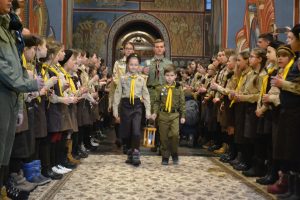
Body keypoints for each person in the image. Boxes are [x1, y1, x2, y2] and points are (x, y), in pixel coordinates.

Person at [0, 0, 44, 197]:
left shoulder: (8, 29)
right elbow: (4, 69)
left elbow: (16, 64)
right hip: (2, 92)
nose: (10, 1)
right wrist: (31, 85)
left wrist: (18, 106)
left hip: (10, 95)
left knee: (5, 150)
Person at [113, 53, 151, 166]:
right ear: (127, 65)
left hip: (137, 106)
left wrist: (148, 111)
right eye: (131, 64)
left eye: (136, 64)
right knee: (127, 131)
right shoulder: (123, 78)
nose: (133, 67)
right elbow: (117, 93)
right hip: (125, 105)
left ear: (139, 66)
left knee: (136, 131)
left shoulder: (142, 79)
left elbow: (146, 95)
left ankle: (136, 153)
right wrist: (115, 109)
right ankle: (129, 151)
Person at [152, 64, 186, 165]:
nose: (169, 77)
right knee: (164, 137)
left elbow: (182, 103)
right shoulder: (160, 88)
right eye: (167, 75)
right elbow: (157, 102)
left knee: (175, 135)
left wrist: (183, 116)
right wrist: (154, 113)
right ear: (164, 76)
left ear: (175, 76)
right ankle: (165, 156)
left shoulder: (178, 88)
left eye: (171, 75)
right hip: (163, 115)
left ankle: (174, 152)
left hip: (174, 115)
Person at [144, 39, 173, 153]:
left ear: (164, 49)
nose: (159, 49)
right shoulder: (147, 63)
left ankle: (162, 145)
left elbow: (171, 79)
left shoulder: (168, 63)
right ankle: (152, 142)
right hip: (151, 92)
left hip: (164, 92)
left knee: (163, 120)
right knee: (152, 118)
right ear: (153, 49)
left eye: (161, 47)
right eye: (157, 47)